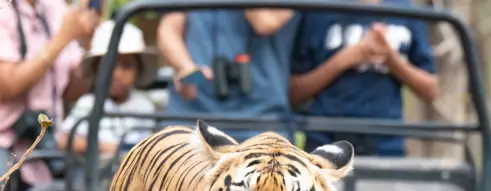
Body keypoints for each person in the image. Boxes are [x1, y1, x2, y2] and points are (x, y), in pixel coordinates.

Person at [0, 0, 100, 191]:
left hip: (46, 147)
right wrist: (62, 39)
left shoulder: (55, 8)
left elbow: (72, 88)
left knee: (85, 187)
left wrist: (87, 44)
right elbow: (7, 84)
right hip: (6, 142)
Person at [290, 0, 438, 157]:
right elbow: (293, 93)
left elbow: (430, 90)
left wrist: (391, 59)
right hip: (326, 141)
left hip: (387, 143)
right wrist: (344, 60)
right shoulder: (317, 10)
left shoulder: (406, 10)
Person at [156, 8, 300, 142]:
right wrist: (185, 67)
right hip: (190, 114)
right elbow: (169, 27)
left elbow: (264, 22)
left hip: (261, 122)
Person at [58, 19, 159, 156]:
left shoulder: (144, 107)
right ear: (95, 68)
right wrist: (99, 146)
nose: (116, 74)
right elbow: (64, 140)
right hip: (93, 175)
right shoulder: (88, 104)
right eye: (109, 65)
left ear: (138, 71)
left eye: (126, 66)